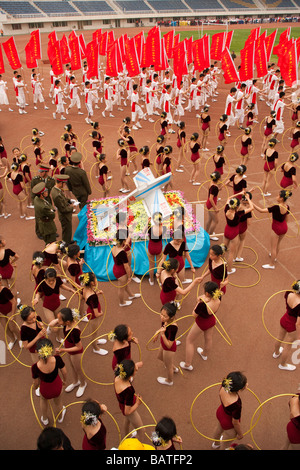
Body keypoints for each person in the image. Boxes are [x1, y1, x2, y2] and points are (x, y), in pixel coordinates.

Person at [179, 281, 221, 371]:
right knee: (208, 338)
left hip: (202, 323)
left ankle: (187, 364)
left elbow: (194, 315)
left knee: (189, 341)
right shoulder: (218, 297)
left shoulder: (202, 304)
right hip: (211, 320)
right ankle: (204, 354)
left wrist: (199, 302)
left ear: (207, 293)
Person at [49, 307, 87, 398]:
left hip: (76, 353)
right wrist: (57, 320)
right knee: (72, 367)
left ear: (67, 322)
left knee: (79, 369)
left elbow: (79, 347)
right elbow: (51, 324)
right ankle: (75, 382)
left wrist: (63, 350)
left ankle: (83, 384)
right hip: (69, 350)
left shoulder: (75, 331)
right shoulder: (66, 323)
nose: (58, 321)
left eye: (59, 320)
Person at [252, 189, 292, 269]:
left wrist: (251, 202)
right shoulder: (287, 206)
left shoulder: (276, 207)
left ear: (281, 198)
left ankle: (271, 264)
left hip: (276, 228)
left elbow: (261, 211)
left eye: (278, 195)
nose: (276, 197)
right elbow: (286, 219)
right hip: (284, 227)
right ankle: (275, 257)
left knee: (273, 247)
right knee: (278, 243)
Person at [31, 338, 67, 426]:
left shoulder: (35, 367)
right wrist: (64, 381)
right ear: (51, 349)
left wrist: (35, 387)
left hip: (45, 389)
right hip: (57, 385)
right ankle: (60, 417)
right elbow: (64, 371)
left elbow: (36, 382)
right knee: (58, 402)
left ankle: (45, 418)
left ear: (37, 351)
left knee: (43, 400)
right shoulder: (57, 359)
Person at [33, 267, 76, 337]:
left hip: (57, 305)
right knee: (55, 329)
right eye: (49, 280)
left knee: (61, 323)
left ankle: (58, 338)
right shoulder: (42, 283)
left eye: (53, 280)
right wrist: (36, 298)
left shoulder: (58, 280)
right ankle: (50, 327)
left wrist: (71, 290)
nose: (51, 282)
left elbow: (62, 286)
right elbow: (39, 293)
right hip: (47, 307)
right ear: (45, 278)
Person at [212, 371, 248, 450]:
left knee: (218, 429)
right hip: (228, 422)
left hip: (220, 412)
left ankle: (215, 444)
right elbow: (235, 422)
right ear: (239, 389)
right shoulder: (236, 404)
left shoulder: (224, 385)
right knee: (226, 444)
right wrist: (240, 434)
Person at [272, 280, 300, 371]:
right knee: (288, 346)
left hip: (285, 318)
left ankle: (276, 353)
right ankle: (283, 364)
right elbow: (298, 323)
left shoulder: (289, 293)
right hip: (292, 326)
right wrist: (299, 337)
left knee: (279, 337)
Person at [114, 359, 144, 441]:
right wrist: (137, 403)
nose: (136, 370)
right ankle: (138, 446)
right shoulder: (129, 390)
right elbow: (128, 411)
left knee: (127, 420)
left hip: (122, 404)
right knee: (141, 430)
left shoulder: (117, 377)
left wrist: (136, 366)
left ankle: (126, 437)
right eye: (135, 370)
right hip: (129, 408)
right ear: (130, 375)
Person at [79, 271, 108, 356]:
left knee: (94, 331)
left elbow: (87, 299)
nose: (96, 280)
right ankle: (96, 348)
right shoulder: (93, 297)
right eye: (95, 279)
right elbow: (96, 313)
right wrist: (101, 313)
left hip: (89, 311)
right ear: (92, 282)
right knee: (94, 333)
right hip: (93, 316)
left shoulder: (85, 289)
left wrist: (97, 293)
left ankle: (96, 341)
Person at [223, 194, 253, 274]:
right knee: (231, 253)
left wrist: (239, 193)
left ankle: (220, 264)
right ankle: (229, 270)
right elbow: (251, 208)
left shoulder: (226, 209)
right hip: (234, 232)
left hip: (227, 230)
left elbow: (229, 197)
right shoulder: (238, 214)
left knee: (223, 249)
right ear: (237, 207)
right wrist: (248, 199)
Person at [111, 229, 140, 307]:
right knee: (121, 288)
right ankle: (122, 302)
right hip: (121, 272)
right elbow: (127, 267)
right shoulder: (122, 253)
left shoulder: (114, 246)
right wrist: (129, 277)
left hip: (116, 268)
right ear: (124, 240)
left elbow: (119, 253)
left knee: (124, 285)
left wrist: (123, 247)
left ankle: (131, 295)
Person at [152, 302, 179, 386]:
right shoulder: (166, 320)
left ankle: (169, 381)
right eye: (161, 314)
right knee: (160, 357)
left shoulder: (173, 327)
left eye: (164, 316)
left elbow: (169, 345)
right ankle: (173, 367)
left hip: (169, 349)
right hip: (163, 344)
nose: (162, 317)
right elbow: (162, 328)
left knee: (168, 366)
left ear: (171, 317)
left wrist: (162, 335)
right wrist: (157, 333)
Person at [50, 174, 74, 244]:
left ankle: (68, 241)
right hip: (64, 216)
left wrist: (69, 200)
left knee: (68, 230)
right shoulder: (57, 195)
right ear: (60, 183)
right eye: (64, 183)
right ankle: (66, 245)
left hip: (64, 214)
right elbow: (63, 209)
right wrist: (72, 207)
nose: (65, 185)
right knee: (66, 230)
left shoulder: (56, 190)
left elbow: (63, 197)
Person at [0, 274, 20, 350]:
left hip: (9, 310)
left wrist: (13, 314)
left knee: (12, 327)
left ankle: (20, 338)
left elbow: (14, 302)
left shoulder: (5, 290)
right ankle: (12, 339)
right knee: (6, 328)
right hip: (1, 312)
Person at [146, 212, 166, 286]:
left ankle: (151, 280)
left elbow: (144, 231)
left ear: (153, 220)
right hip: (159, 247)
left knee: (151, 265)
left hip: (151, 247)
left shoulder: (150, 228)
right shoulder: (163, 228)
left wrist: (147, 222)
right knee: (159, 265)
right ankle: (160, 281)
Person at [205, 171, 222, 241]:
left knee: (210, 219)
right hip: (211, 204)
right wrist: (215, 208)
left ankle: (206, 232)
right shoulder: (214, 187)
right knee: (216, 221)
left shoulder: (211, 183)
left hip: (209, 203)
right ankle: (211, 235)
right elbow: (211, 198)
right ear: (218, 179)